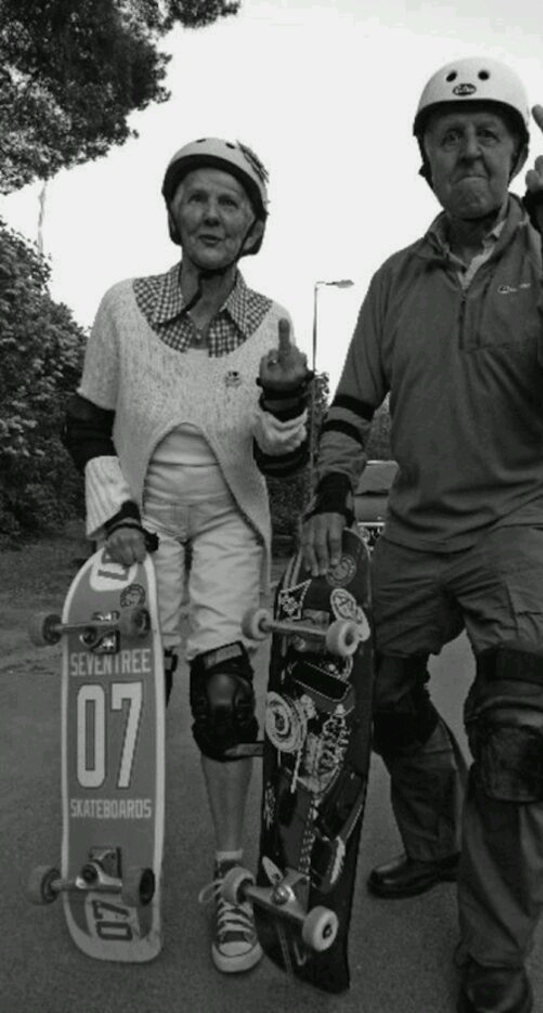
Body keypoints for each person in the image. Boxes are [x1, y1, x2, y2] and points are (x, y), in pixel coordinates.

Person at [301, 57, 543, 1012]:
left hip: (524, 518)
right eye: (449, 135)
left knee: (519, 738)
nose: (468, 147)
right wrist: (325, 494)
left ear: (519, 155)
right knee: (379, 695)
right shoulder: (396, 280)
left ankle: (493, 956)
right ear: (425, 165)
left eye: (489, 132)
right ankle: (437, 841)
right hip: (419, 528)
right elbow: (351, 407)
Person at [62, 137, 311, 974]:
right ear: (173, 213)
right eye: (197, 198)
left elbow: (280, 466)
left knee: (226, 692)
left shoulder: (270, 322)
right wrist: (115, 516)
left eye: (229, 204)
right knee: (133, 679)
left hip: (233, 527)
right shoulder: (123, 307)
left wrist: (283, 398)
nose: (211, 214)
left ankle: (233, 881)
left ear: (253, 228)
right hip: (145, 524)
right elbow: (87, 424)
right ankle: (118, 861)